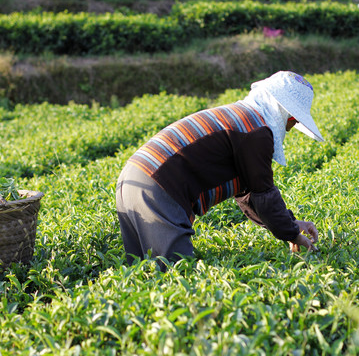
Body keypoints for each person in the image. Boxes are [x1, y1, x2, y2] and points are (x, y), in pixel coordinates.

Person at [116, 71, 325, 267]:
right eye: (294, 119)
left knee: (143, 269)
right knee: (175, 272)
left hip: (133, 178)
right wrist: (290, 233)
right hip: (159, 186)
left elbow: (248, 196)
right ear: (287, 115)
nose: (292, 126)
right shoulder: (256, 131)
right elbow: (264, 196)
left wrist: (290, 225)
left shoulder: (242, 118)